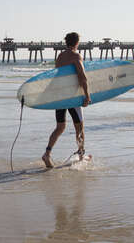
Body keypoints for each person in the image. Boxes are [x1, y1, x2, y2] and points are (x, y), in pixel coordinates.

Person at [42, 32, 91, 168]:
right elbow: (82, 76)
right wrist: (87, 95)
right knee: (79, 127)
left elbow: (58, 76)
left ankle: (47, 153)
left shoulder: (60, 56)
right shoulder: (76, 56)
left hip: (60, 96)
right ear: (76, 43)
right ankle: (81, 156)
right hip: (72, 98)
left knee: (60, 127)